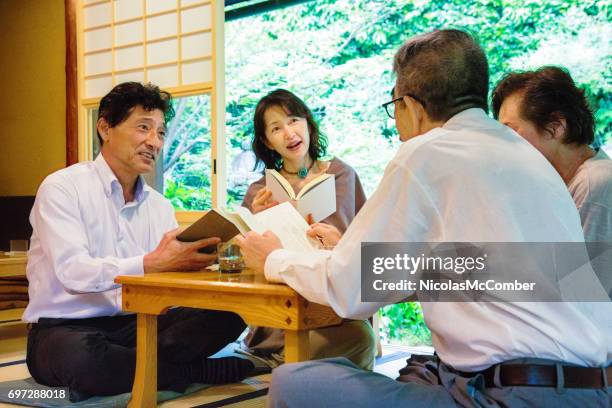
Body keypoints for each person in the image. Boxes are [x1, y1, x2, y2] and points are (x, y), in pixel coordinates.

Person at [236, 30, 611, 407]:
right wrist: (352, 256)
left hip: (512, 393)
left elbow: (349, 292)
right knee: (412, 372)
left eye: (394, 106)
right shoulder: (530, 158)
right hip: (593, 388)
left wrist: (274, 258)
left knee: (293, 383)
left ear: (411, 106)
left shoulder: (425, 152)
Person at [23, 82, 252, 398]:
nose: (154, 141)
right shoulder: (62, 188)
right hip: (66, 328)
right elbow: (72, 273)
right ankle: (192, 371)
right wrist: (150, 263)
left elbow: (172, 278)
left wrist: (201, 263)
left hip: (142, 324)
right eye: (143, 127)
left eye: (159, 132)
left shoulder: (160, 205)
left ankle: (149, 368)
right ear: (105, 127)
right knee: (85, 360)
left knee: (229, 313)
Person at [240, 89, 376, 370]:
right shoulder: (259, 191)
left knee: (357, 337)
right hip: (280, 306)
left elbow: (364, 245)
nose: (289, 133)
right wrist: (259, 219)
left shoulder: (343, 176)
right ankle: (284, 361)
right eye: (276, 128)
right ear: (267, 141)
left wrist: (334, 240)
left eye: (294, 121)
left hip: (331, 302)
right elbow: (243, 259)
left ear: (308, 124)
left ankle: (289, 367)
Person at [493, 66, 612, 297]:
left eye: (509, 132)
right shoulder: (565, 184)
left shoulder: (595, 184)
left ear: (555, 126)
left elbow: (572, 295)